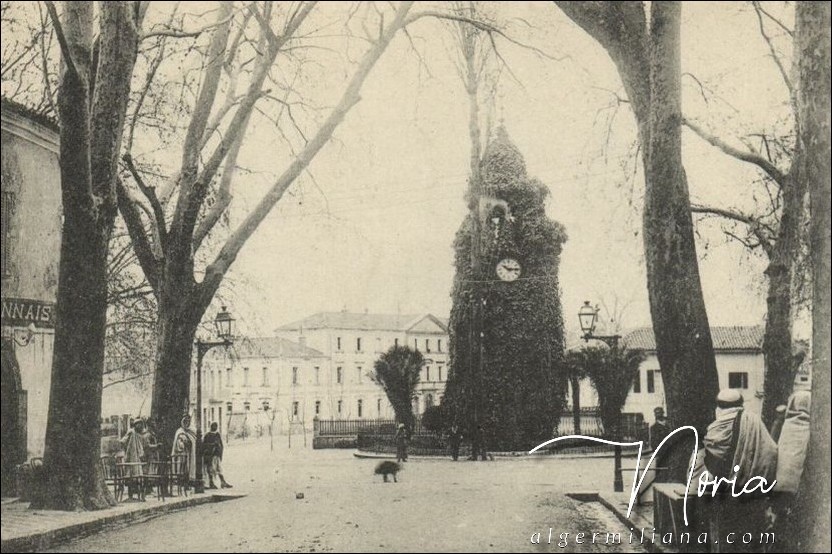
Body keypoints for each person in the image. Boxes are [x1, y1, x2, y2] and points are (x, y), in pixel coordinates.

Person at [702, 389, 777, 553]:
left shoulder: (715, 430)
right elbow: (771, 452)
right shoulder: (754, 422)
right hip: (753, 495)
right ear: (741, 404)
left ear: (719, 406)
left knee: (727, 540)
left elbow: (711, 462)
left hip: (725, 496)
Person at [119, 419, 145, 500]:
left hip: (137, 458)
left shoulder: (139, 435)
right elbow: (123, 441)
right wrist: (126, 450)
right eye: (139, 424)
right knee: (131, 476)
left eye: (141, 425)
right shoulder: (131, 432)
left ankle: (140, 495)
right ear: (135, 425)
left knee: (139, 476)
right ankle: (131, 495)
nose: (140, 426)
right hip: (130, 458)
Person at [203, 422, 232, 489]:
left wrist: (220, 453)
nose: (215, 427)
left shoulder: (217, 434)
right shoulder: (207, 435)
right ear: (211, 427)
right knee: (211, 469)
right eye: (213, 426)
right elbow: (205, 445)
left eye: (216, 426)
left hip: (217, 455)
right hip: (211, 456)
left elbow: (221, 444)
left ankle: (223, 482)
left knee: (219, 468)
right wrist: (212, 445)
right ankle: (211, 483)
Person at [172, 415, 198, 483]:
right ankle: (181, 480)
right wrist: (183, 443)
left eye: (188, 422)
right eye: (185, 422)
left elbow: (194, 440)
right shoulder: (179, 431)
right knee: (182, 466)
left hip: (190, 452)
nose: (187, 423)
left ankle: (189, 479)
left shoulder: (192, 431)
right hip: (182, 452)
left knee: (189, 466)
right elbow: (178, 443)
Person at [649, 407, 671, 481]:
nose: (658, 415)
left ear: (663, 413)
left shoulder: (669, 425)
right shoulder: (653, 427)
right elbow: (653, 441)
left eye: (659, 413)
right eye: (656, 413)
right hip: (660, 452)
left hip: (671, 450)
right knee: (660, 470)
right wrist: (657, 451)